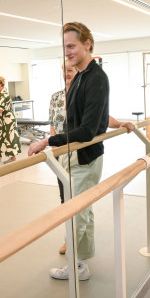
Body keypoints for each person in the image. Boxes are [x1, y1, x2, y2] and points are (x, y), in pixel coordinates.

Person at [28, 22, 109, 281]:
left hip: (84, 154)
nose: (68, 52)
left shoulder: (96, 78)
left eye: (71, 46)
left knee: (75, 213)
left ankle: (76, 265)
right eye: (65, 47)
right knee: (82, 210)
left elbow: (88, 129)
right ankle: (82, 262)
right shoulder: (80, 76)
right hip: (76, 153)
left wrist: (49, 142)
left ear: (88, 43)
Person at [49, 62, 135, 255]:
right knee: (67, 201)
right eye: (65, 71)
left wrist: (120, 123)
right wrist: (53, 148)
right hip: (62, 153)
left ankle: (73, 250)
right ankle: (82, 253)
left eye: (71, 70)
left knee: (80, 205)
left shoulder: (86, 89)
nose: (68, 74)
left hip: (81, 151)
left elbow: (99, 117)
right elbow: (53, 124)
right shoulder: (56, 97)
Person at [0, 76, 21, 165]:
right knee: (4, 138)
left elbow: (1, 109)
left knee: (6, 139)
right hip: (5, 119)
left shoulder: (4, 94)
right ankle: (11, 157)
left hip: (8, 120)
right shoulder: (3, 93)